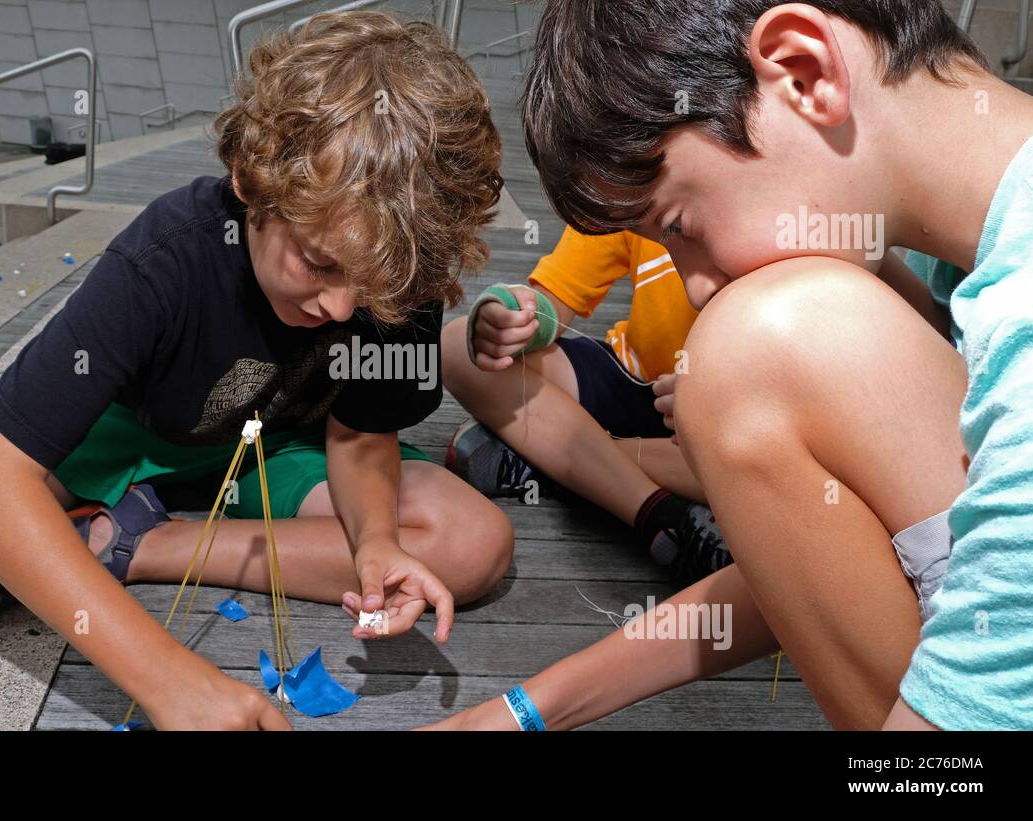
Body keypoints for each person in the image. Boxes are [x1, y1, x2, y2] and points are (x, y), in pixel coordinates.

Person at [0, 11, 511, 730]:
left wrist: (374, 543)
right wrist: (171, 680)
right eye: (320, 263)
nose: (342, 305)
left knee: (470, 543)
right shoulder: (165, 259)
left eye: (370, 287)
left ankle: (134, 543)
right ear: (250, 178)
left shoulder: (402, 268)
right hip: (125, 427)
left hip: (277, 450)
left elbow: (360, 438)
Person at [431, 0, 1033, 731]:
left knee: (750, 350)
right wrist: (523, 712)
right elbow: (820, 577)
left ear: (803, 71)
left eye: (678, 227)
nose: (695, 285)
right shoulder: (947, 275)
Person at [443, 226, 730, 583]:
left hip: (726, 419)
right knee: (458, 345)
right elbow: (554, 301)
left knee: (758, 469)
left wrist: (722, 396)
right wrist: (508, 317)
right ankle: (662, 516)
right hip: (633, 378)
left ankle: (553, 461)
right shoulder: (627, 184)